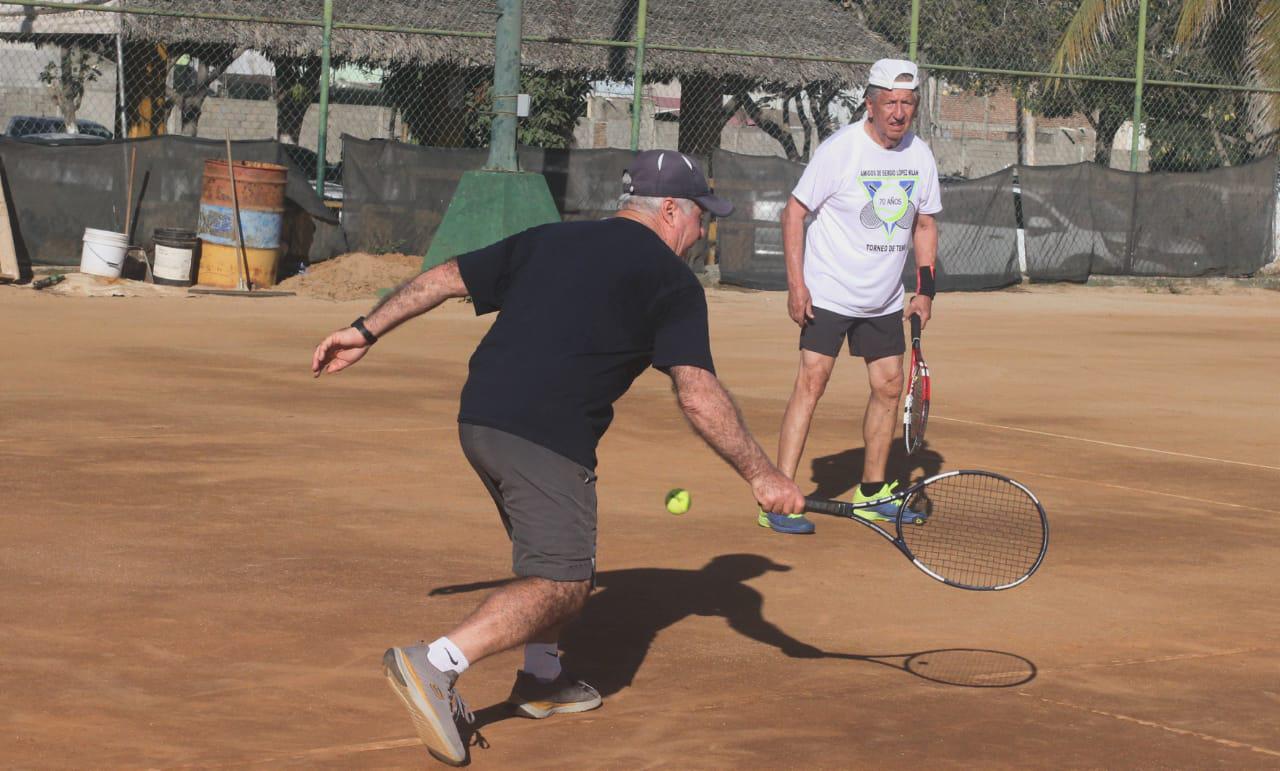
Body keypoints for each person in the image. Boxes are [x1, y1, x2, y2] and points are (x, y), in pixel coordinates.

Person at [311, 149, 805, 766]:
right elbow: (697, 392)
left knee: (550, 562)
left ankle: (542, 680)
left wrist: (363, 330)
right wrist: (763, 476)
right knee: (565, 582)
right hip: (541, 437)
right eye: (701, 214)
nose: (704, 230)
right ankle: (435, 663)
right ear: (671, 210)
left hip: (481, 418)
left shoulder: (552, 238)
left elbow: (442, 279)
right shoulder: (672, 281)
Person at [758, 58, 941, 535]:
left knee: (887, 385)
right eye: (890, 103)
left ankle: (873, 491)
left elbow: (924, 223)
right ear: (871, 104)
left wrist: (925, 290)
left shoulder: (920, 156)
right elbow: (793, 214)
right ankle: (778, 497)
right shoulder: (841, 151)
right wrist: (797, 285)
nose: (899, 113)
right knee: (812, 382)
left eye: (907, 103)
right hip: (830, 293)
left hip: (882, 299)